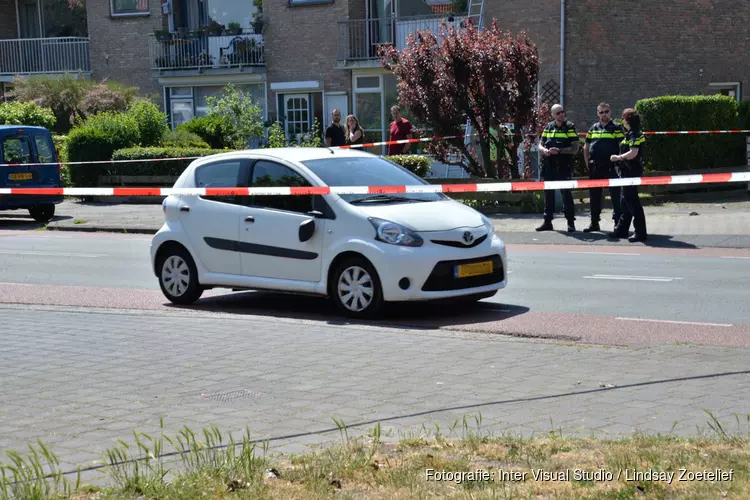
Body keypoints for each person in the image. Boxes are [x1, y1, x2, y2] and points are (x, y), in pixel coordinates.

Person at [536, 104, 579, 232]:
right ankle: (547, 221)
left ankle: (570, 222)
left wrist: (559, 151)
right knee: (548, 194)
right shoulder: (548, 127)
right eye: (558, 113)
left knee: (566, 193)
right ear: (553, 115)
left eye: (562, 112)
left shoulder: (569, 127)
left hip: (563, 165)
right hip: (549, 165)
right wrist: (544, 150)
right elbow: (540, 144)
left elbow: (575, 148)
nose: (562, 114)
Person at [583, 102, 624, 232]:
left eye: (606, 112)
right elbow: (586, 146)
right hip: (595, 167)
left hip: (611, 166)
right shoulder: (593, 128)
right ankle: (594, 222)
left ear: (610, 112)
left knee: (616, 196)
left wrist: (619, 161)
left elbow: (622, 146)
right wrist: (587, 163)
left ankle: (618, 223)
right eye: (601, 112)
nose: (604, 115)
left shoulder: (616, 128)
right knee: (594, 196)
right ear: (597, 114)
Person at [610, 108, 648, 242]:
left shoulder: (634, 134)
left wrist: (618, 157)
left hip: (631, 171)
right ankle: (622, 230)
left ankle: (640, 233)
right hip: (627, 171)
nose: (622, 120)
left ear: (627, 119)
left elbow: (633, 153)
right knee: (624, 201)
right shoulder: (631, 133)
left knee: (632, 201)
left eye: (623, 117)